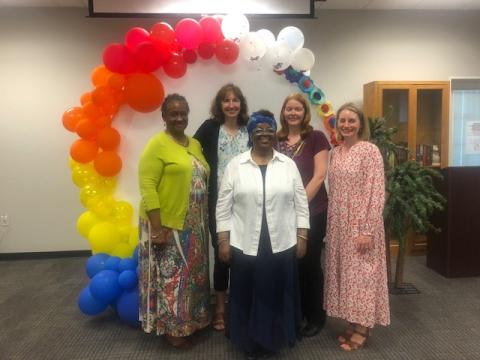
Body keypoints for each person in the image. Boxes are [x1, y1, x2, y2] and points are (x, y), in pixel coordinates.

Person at [216, 110, 310, 359]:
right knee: (248, 291)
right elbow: (223, 206)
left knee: (276, 291)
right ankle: (248, 340)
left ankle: (275, 338)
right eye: (259, 130)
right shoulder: (235, 165)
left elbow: (301, 203)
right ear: (251, 134)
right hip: (245, 241)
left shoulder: (287, 165)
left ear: (274, 134)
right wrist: (223, 241)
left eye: (269, 129)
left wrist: (302, 237)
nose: (265, 134)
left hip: (281, 242)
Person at [138, 94, 211, 349]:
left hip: (195, 224)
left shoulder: (194, 144)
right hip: (168, 223)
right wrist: (157, 228)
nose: (179, 118)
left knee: (193, 276)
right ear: (164, 116)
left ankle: (194, 319)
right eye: (173, 113)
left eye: (183, 113)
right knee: (172, 279)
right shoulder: (157, 144)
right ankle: (173, 329)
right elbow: (147, 186)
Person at [324, 102, 390, 351]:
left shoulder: (369, 151)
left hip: (362, 224)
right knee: (346, 275)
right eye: (343, 120)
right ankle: (352, 320)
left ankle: (363, 326)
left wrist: (367, 230)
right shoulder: (336, 152)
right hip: (339, 224)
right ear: (337, 124)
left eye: (352, 120)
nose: (347, 125)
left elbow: (376, 192)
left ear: (361, 123)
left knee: (362, 276)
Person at [193, 83, 250, 332]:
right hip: (219, 203)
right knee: (223, 255)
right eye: (226, 100)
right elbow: (191, 151)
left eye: (235, 100)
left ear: (241, 104)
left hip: (248, 204)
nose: (231, 105)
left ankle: (241, 303)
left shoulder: (250, 128)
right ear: (219, 105)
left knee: (246, 253)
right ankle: (220, 308)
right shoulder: (210, 127)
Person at [276, 93, 330, 337]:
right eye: (289, 109)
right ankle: (295, 313)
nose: (293, 113)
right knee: (290, 264)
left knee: (309, 263)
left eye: (298, 108)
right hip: (282, 214)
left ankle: (316, 316)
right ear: (283, 112)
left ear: (305, 112)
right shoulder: (276, 140)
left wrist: (297, 206)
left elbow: (319, 176)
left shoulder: (316, 138)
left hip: (313, 211)